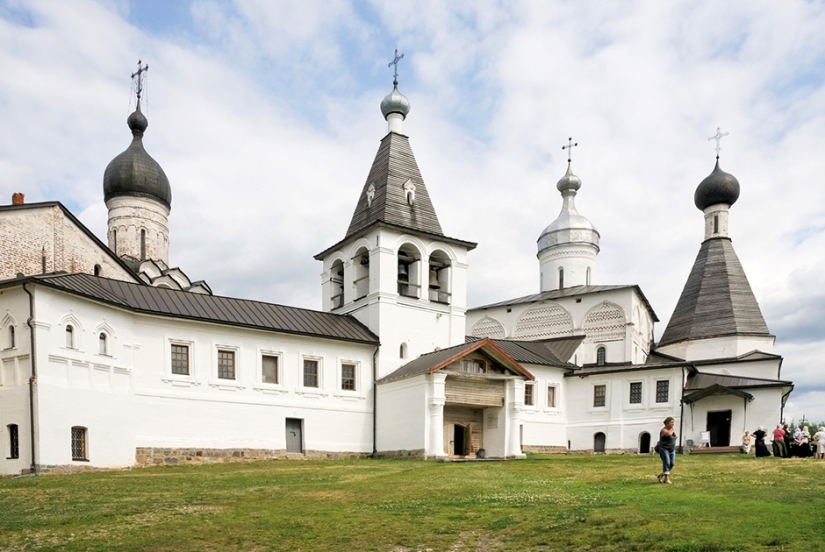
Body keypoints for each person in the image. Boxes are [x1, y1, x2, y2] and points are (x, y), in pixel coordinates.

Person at [657, 417, 677, 484]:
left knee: (672, 463)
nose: (673, 424)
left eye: (673, 422)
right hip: (664, 449)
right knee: (667, 463)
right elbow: (668, 434)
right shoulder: (663, 430)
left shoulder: (672, 430)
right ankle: (666, 479)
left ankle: (662, 475)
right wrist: (671, 429)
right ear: (667, 423)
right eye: (671, 422)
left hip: (672, 449)